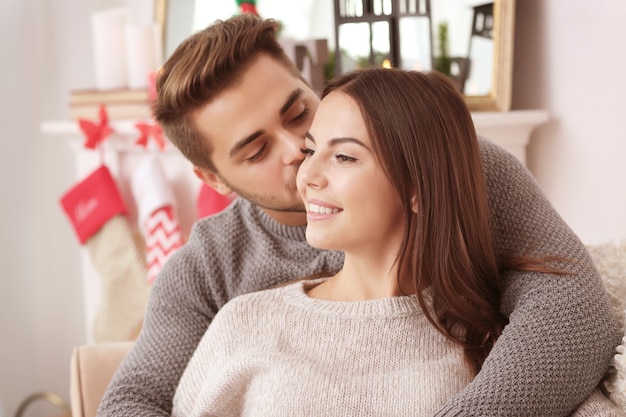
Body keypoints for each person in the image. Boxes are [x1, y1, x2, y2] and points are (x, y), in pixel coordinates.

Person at [97, 14, 620, 417]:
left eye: (298, 113)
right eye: (256, 151)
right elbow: (133, 401)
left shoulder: (445, 169)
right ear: (213, 179)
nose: (298, 152)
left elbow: (572, 308)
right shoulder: (208, 271)